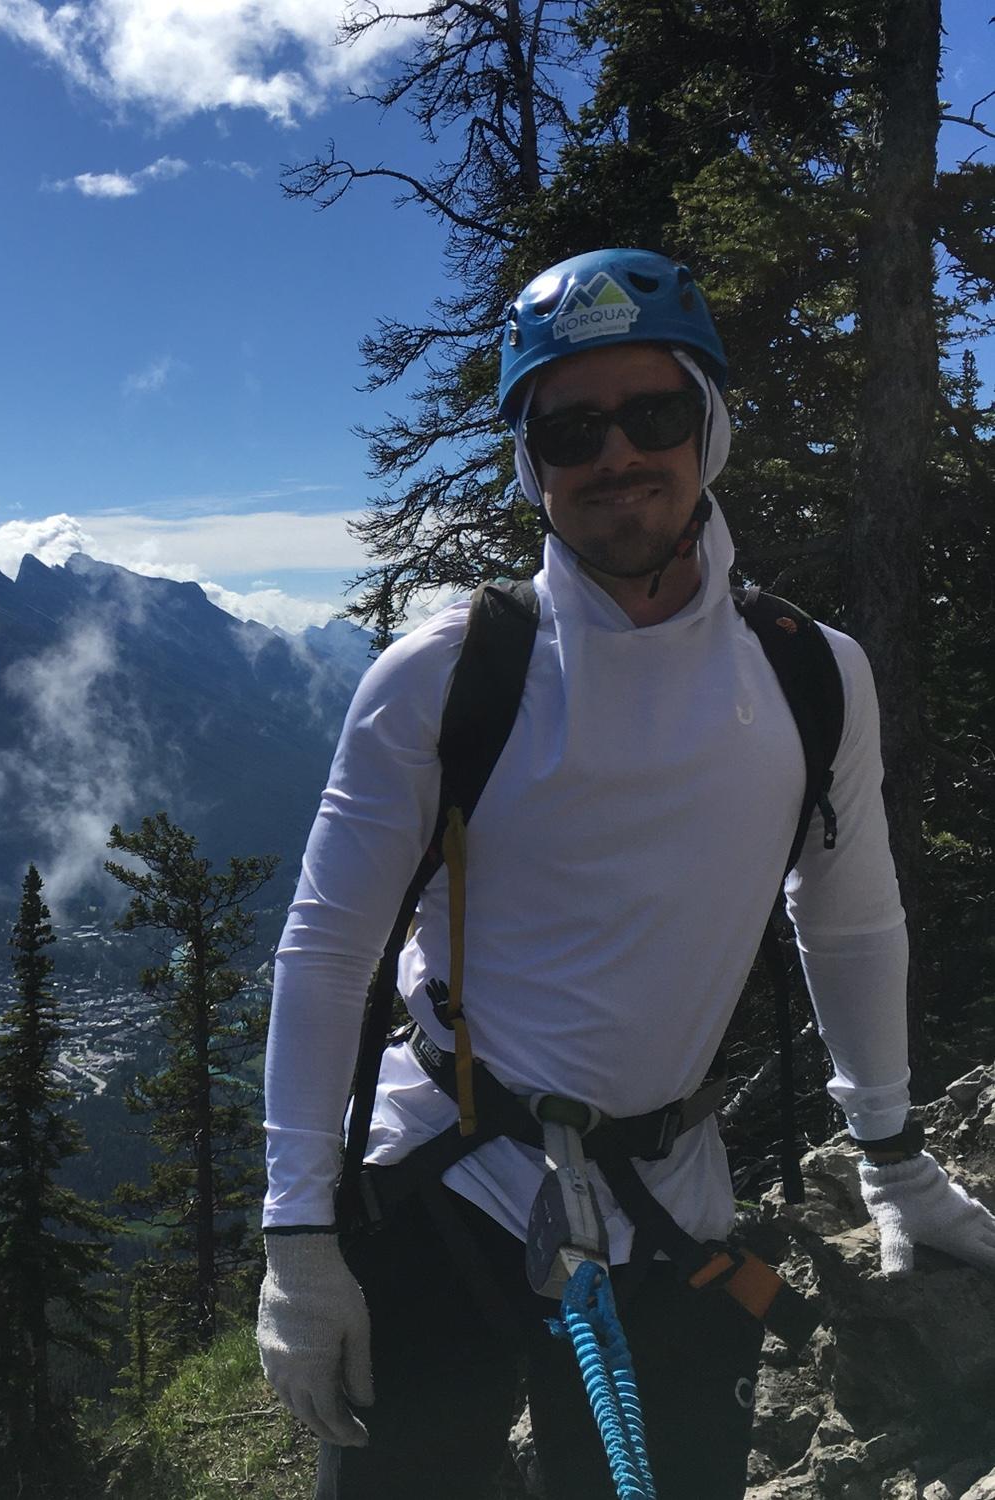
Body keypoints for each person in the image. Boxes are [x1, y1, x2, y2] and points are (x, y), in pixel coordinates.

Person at [255, 248, 995, 1500]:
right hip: (444, 1182)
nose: (616, 455)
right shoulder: (443, 676)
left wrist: (891, 1151)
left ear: (711, 428)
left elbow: (849, 916)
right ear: (530, 464)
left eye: (653, 414)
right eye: (571, 430)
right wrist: (297, 1238)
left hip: (666, 1199)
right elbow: (327, 952)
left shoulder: (813, 675)